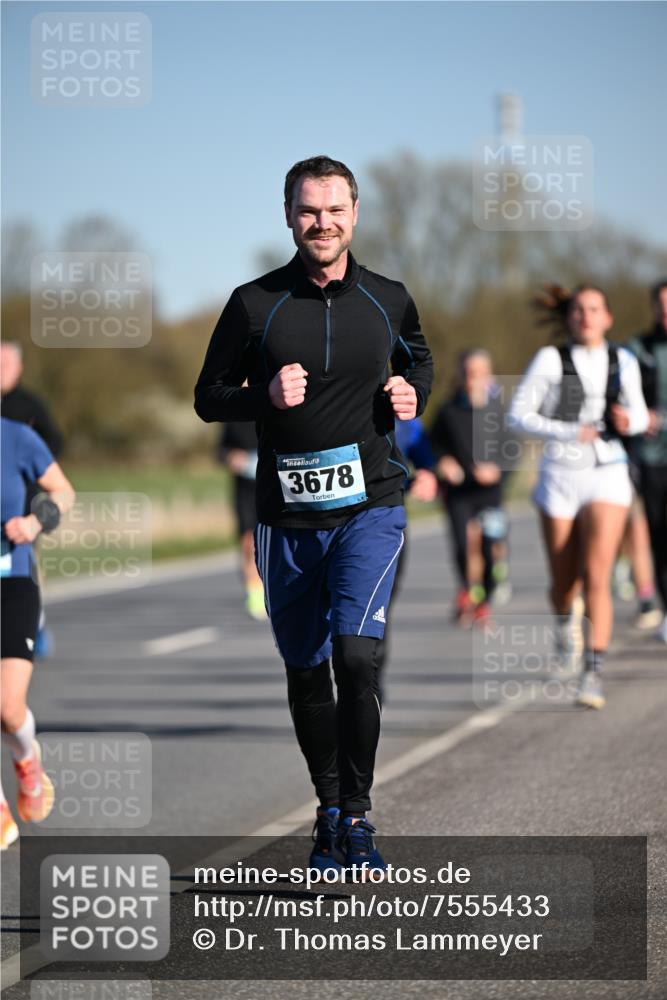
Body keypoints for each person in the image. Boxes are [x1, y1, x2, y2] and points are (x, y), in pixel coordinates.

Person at [195, 155, 433, 877]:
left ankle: (358, 817)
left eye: (334, 209)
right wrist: (260, 393)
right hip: (286, 520)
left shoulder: (387, 299)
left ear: (354, 214)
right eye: (308, 210)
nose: (321, 222)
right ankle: (326, 810)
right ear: (288, 215)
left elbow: (418, 358)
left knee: (356, 658)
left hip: (370, 506)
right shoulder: (253, 304)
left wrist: (410, 392)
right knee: (306, 669)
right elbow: (208, 396)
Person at [509, 285, 649, 710]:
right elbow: (518, 415)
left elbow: (641, 414)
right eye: (578, 310)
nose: (586, 316)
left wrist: (631, 419)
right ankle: (564, 623)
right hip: (560, 476)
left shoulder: (621, 360)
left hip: (607, 472)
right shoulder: (552, 359)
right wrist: (567, 430)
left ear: (607, 318)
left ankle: (593, 672)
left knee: (597, 574)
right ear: (568, 318)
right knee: (565, 583)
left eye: (594, 309)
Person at [1, 416, 75, 850]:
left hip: (12, 583)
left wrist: (32, 524)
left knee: (8, 710)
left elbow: (63, 494)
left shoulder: (16, 437)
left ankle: (27, 759)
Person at [430, 349, 512, 628]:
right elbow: (433, 445)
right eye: (467, 371)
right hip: (459, 493)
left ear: (489, 374)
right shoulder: (447, 410)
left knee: (490, 550)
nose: (471, 377)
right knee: (464, 546)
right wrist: (444, 461)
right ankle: (468, 591)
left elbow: (513, 450)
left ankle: (484, 599)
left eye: (478, 371)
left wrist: (497, 470)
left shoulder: (499, 411)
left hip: (490, 493)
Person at [1, 341, 64, 657]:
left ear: (19, 368)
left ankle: (32, 625)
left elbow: (56, 443)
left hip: (25, 501)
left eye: (6, 364)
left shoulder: (29, 407)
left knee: (25, 564)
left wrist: (29, 465)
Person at [626, 279, 667, 643]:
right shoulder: (638, 350)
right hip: (653, 457)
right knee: (659, 534)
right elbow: (619, 394)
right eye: (662, 306)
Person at [217, 420, 266, 620]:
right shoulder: (234, 419)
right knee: (248, 542)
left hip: (275, 487)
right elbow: (220, 451)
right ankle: (255, 594)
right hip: (245, 490)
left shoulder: (276, 408)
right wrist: (230, 457)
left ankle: (272, 588)